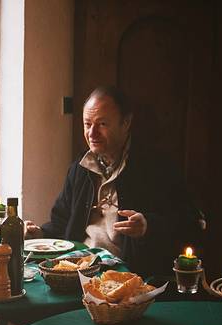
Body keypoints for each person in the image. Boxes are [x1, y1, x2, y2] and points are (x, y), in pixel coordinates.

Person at [25, 86, 201, 277]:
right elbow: (61, 222)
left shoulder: (156, 167)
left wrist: (147, 226)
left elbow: (190, 223)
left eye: (102, 124)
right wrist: (39, 234)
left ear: (126, 123)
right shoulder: (80, 167)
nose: (92, 133)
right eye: (87, 124)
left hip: (126, 274)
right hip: (78, 267)